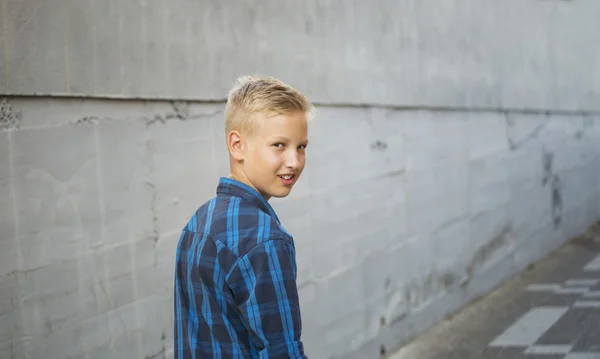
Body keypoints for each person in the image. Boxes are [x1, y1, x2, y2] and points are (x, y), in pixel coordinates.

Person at [174, 75, 313, 358]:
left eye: (301, 146)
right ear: (237, 145)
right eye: (279, 145)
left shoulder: (198, 223)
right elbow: (281, 352)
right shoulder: (265, 240)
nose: (294, 161)